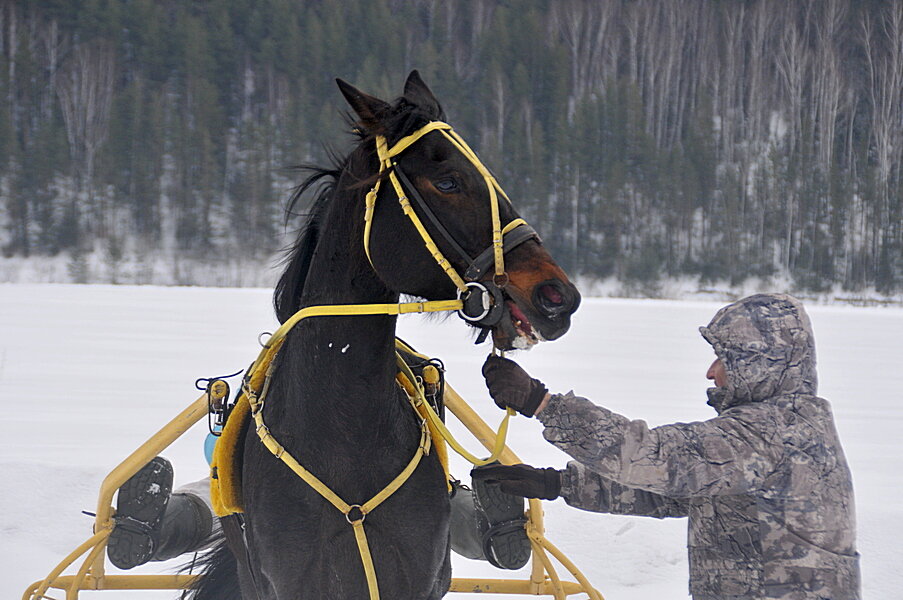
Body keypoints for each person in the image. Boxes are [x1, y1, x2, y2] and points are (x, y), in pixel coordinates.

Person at [473, 293, 860, 600]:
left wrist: (541, 403)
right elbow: (679, 493)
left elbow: (658, 457)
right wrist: (556, 484)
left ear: (761, 363)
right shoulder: (780, 426)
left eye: (724, 359)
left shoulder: (776, 431)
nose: (711, 371)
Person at [108, 459, 531, 571]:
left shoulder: (275, 381)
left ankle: (154, 531)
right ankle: (487, 534)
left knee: (215, 496)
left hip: (264, 483)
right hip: (386, 482)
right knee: (433, 495)